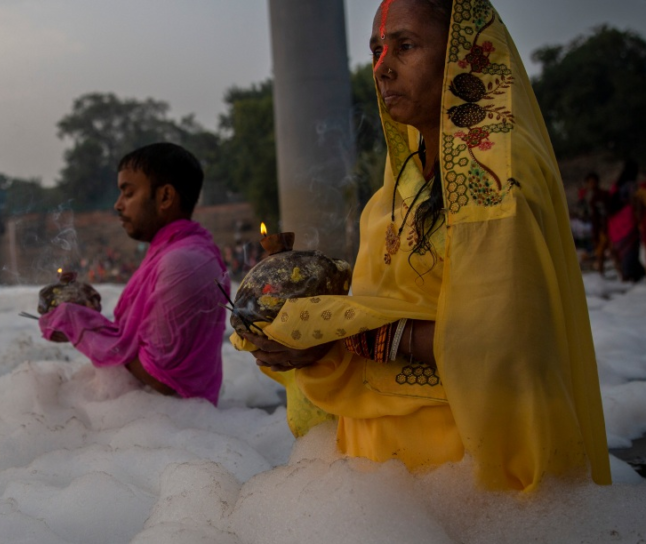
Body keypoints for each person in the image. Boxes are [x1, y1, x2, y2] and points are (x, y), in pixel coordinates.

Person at [233, 0, 611, 491]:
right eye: (376, 50)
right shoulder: (397, 186)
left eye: (406, 46)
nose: (383, 66)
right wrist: (297, 320)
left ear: (462, 56)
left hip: (465, 480)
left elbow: (500, 345)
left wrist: (346, 333)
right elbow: (386, 299)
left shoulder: (494, 176)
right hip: (387, 488)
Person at [39, 142, 229, 405]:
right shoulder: (174, 251)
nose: (118, 205)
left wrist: (82, 327)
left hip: (174, 425)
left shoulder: (182, 262)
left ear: (165, 197)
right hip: (158, 421)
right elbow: (141, 346)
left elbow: (160, 378)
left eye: (128, 193)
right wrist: (84, 319)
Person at [607, 160, 644, 282]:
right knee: (631, 247)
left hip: (615, 222)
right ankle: (631, 274)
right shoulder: (631, 185)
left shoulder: (616, 185)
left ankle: (625, 273)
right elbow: (636, 204)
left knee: (622, 249)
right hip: (628, 219)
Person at [576, 172, 610, 274]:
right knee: (599, 252)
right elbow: (583, 214)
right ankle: (601, 274)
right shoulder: (587, 197)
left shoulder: (602, 195)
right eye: (589, 182)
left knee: (605, 251)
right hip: (594, 228)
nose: (592, 184)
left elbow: (606, 211)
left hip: (605, 226)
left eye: (593, 182)